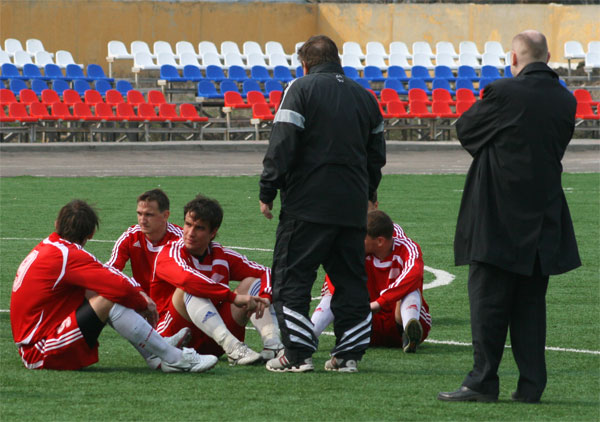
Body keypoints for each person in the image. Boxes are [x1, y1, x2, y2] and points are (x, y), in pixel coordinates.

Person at [438, 30, 581, 403]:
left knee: (488, 302)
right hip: (543, 216)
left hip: (497, 216)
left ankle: (482, 381)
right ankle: (531, 385)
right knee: (531, 308)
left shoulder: (503, 92)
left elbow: (466, 131)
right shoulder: (566, 101)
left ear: (514, 60)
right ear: (547, 57)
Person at [259, 35, 386, 373]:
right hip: (351, 207)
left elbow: (283, 142)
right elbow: (377, 155)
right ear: (337, 60)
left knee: (292, 279)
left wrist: (268, 189)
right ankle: (348, 357)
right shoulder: (366, 98)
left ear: (305, 64)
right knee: (350, 281)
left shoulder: (300, 89)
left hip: (307, 205)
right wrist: (369, 192)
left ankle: (297, 355)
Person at [10, 199, 217, 373]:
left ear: (56, 224)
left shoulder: (50, 247)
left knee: (101, 292)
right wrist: (142, 302)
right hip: (40, 351)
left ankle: (156, 351)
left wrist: (136, 295)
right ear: (91, 233)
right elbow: (117, 286)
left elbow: (108, 275)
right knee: (109, 297)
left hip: (35, 341)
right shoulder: (68, 255)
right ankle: (174, 358)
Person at [151, 194, 283, 366]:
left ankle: (272, 344)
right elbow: (187, 280)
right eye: (188, 224)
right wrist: (233, 297)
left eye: (199, 228)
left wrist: (265, 296)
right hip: (174, 339)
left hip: (213, 342)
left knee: (251, 282)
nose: (190, 233)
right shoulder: (169, 253)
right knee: (189, 288)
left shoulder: (221, 255)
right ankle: (233, 347)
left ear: (212, 233)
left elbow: (266, 272)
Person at [312, 209, 432, 354]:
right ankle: (310, 335)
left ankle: (408, 332)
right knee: (333, 291)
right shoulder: (355, 252)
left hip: (395, 320)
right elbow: (335, 277)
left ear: (380, 241)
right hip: (367, 322)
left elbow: (414, 273)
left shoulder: (407, 248)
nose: (357, 239)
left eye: (362, 236)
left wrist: (380, 302)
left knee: (410, 288)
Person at [107, 189, 182, 294]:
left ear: (165, 215)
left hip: (171, 302)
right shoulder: (130, 236)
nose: (142, 220)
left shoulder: (180, 239)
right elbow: (110, 269)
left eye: (149, 215)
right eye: (139, 214)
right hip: (141, 299)